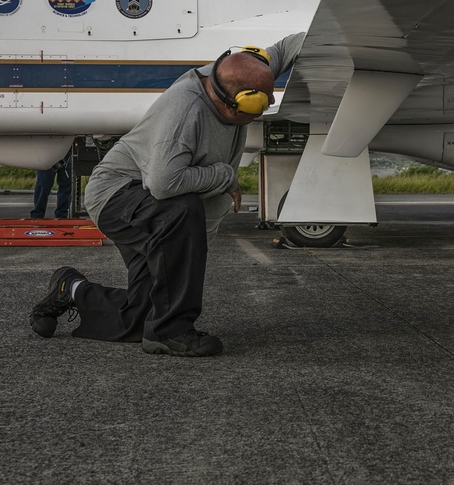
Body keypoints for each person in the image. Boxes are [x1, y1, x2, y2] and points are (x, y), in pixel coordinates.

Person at [28, 33, 304, 356]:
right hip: (116, 195)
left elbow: (287, 47)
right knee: (182, 209)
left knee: (141, 314)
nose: (268, 106)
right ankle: (171, 331)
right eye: (259, 105)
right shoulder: (186, 112)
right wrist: (225, 176)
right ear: (234, 103)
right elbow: (163, 183)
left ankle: (69, 289)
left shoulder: (242, 71)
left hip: (147, 202)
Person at [30, 147, 73, 219]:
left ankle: (62, 214)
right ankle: (38, 214)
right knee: (43, 185)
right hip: (49, 156)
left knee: (66, 186)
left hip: (65, 156)